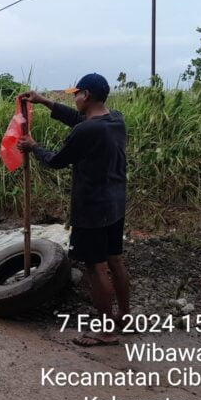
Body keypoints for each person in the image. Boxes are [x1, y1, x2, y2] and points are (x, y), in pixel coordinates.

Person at [17, 73, 129, 347]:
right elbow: (79, 120)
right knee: (115, 260)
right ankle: (124, 318)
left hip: (92, 208)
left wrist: (34, 148)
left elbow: (56, 160)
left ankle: (106, 331)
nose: (74, 98)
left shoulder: (86, 131)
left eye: (76, 94)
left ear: (86, 95)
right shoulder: (114, 120)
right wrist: (44, 102)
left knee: (95, 267)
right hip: (115, 203)